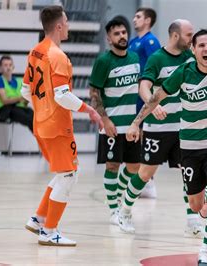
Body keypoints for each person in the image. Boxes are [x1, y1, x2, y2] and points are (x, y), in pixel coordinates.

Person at [126, 13, 207, 266]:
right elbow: (156, 97)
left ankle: (204, 252)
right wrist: (136, 122)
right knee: (195, 205)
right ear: (193, 50)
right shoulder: (183, 72)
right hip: (191, 147)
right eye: (201, 45)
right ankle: (204, 192)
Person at [22, 5, 103, 246]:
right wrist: (90, 110)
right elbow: (62, 95)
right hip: (57, 127)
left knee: (63, 173)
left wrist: (43, 107)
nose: (68, 25)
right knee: (69, 175)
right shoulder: (57, 56)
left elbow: (25, 91)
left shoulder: (35, 51)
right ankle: (49, 230)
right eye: (66, 22)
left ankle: (38, 219)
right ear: (58, 26)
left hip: (40, 124)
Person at [89, 17, 141, 225]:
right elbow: (94, 92)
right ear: (109, 38)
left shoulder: (135, 58)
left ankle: (118, 196)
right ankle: (113, 209)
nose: (121, 36)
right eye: (116, 33)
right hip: (111, 125)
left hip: (131, 126)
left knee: (134, 166)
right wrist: (105, 119)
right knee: (112, 165)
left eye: (123, 32)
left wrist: (138, 123)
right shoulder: (103, 61)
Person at [127, 7, 161, 198]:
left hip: (143, 95)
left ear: (147, 21)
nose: (134, 19)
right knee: (135, 136)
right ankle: (140, 178)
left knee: (142, 136)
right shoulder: (133, 42)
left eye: (138, 16)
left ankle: (148, 182)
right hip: (132, 94)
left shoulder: (150, 41)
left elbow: (157, 66)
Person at [0, 55, 34, 132]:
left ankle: (44, 141)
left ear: (13, 67)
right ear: (1, 67)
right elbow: (4, 101)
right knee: (29, 119)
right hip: (6, 109)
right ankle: (43, 142)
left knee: (36, 118)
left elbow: (24, 101)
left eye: (10, 65)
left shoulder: (18, 81)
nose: (8, 67)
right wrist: (19, 98)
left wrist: (27, 99)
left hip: (19, 107)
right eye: (5, 65)